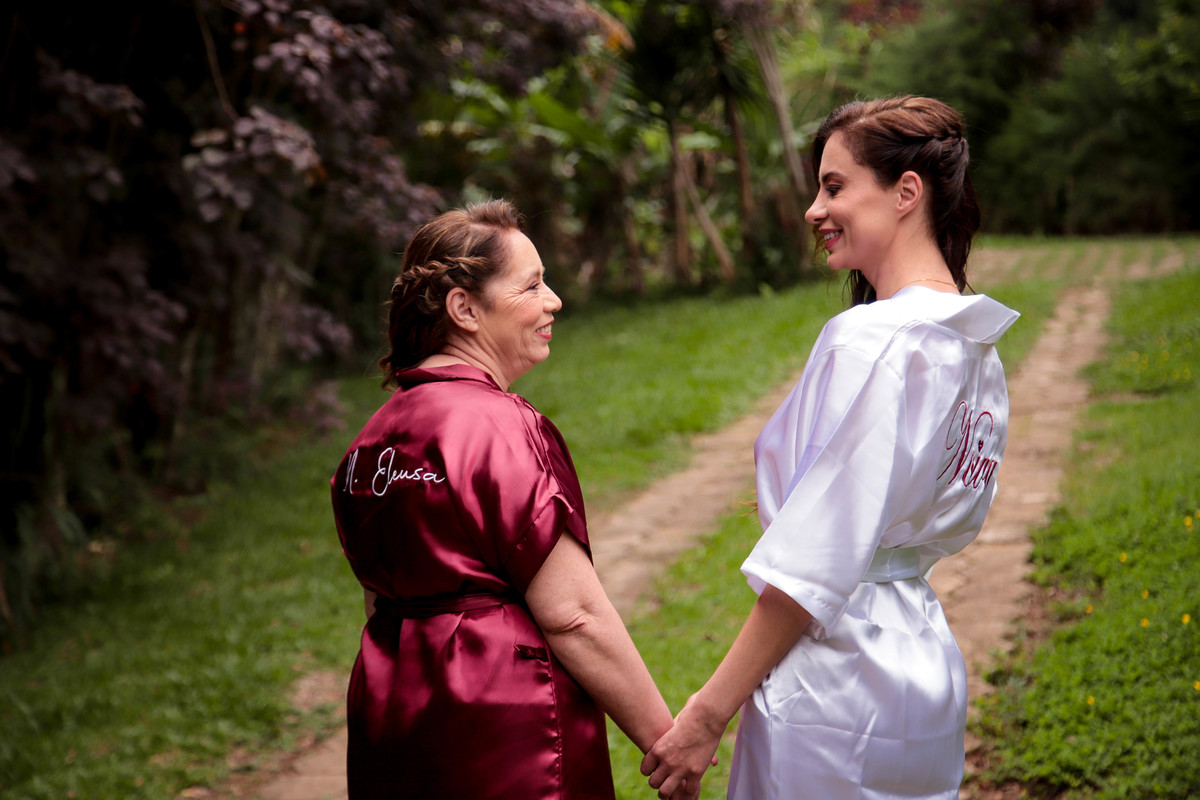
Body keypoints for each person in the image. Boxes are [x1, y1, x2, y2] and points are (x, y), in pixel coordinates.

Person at [640, 96, 1020, 800]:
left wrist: (707, 714)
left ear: (907, 192)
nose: (815, 209)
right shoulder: (974, 343)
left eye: (835, 186)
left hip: (836, 684)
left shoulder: (871, 338)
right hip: (922, 666)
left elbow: (814, 564)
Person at [330, 199, 674, 799]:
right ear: (465, 309)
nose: (553, 301)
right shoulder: (503, 426)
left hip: (394, 722)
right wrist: (666, 741)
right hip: (507, 732)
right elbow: (574, 615)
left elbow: (379, 601)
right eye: (532, 285)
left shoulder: (368, 443)